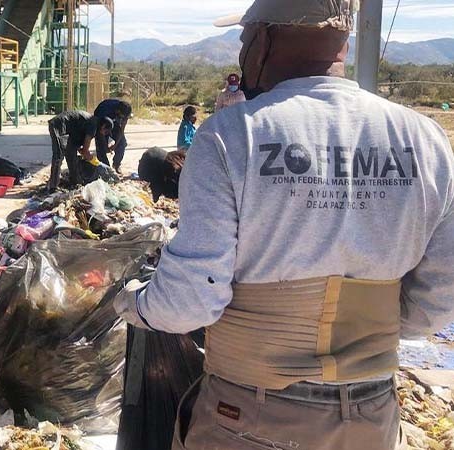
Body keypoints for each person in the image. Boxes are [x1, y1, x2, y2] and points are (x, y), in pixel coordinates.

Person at [114, 1, 454, 449]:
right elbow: (437, 302)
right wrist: (358, 329)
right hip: (372, 419)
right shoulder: (425, 139)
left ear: (265, 39)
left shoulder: (232, 134)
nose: (242, 50)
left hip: (251, 419)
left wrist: (131, 302)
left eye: (244, 38)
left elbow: (190, 302)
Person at [47, 110, 114, 192]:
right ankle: (53, 187)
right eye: (106, 132)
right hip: (58, 125)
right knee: (58, 155)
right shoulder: (93, 125)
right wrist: (97, 163)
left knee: (71, 155)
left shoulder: (93, 123)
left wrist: (84, 153)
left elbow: (81, 149)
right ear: (103, 126)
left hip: (68, 130)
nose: (104, 134)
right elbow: (85, 151)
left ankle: (75, 182)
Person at [93, 98, 132, 173]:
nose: (123, 119)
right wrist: (105, 147)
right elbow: (101, 132)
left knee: (122, 143)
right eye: (122, 117)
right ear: (118, 111)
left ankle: (117, 164)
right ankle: (105, 169)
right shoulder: (105, 110)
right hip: (100, 123)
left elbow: (121, 130)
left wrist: (115, 145)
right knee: (101, 147)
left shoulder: (125, 112)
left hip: (113, 123)